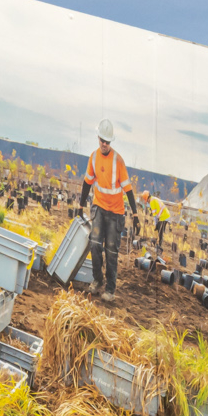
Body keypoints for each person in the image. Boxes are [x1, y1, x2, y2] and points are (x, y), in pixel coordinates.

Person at [78, 120, 134, 301]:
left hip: (116, 213)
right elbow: (87, 182)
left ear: (111, 142)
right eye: (102, 140)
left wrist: (136, 213)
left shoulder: (118, 161)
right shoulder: (93, 157)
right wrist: (80, 205)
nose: (104, 144)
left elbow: (128, 189)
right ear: (98, 138)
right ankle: (97, 280)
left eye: (108, 142)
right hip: (99, 208)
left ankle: (110, 289)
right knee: (94, 244)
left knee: (111, 251)